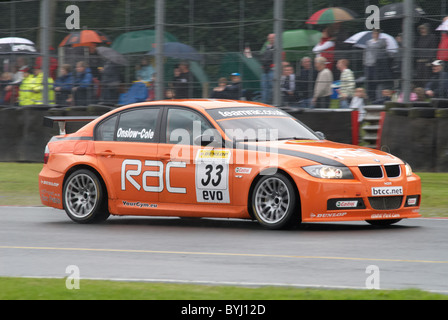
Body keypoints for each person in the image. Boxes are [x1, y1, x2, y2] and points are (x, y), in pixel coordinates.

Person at [363, 29, 387, 102]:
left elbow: (379, 46)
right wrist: (365, 62)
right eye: (374, 33)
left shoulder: (381, 42)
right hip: (368, 64)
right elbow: (365, 53)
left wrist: (374, 43)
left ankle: (374, 97)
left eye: (376, 33)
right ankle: (369, 97)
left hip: (376, 65)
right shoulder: (368, 42)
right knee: (368, 81)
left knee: (375, 82)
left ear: (378, 34)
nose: (375, 35)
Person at [260, 33, 275, 104]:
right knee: (264, 87)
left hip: (272, 69)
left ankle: (271, 102)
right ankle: (264, 103)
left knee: (272, 87)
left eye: (273, 38)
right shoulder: (266, 48)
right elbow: (262, 57)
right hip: (265, 70)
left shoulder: (277, 47)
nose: (271, 39)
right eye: (270, 38)